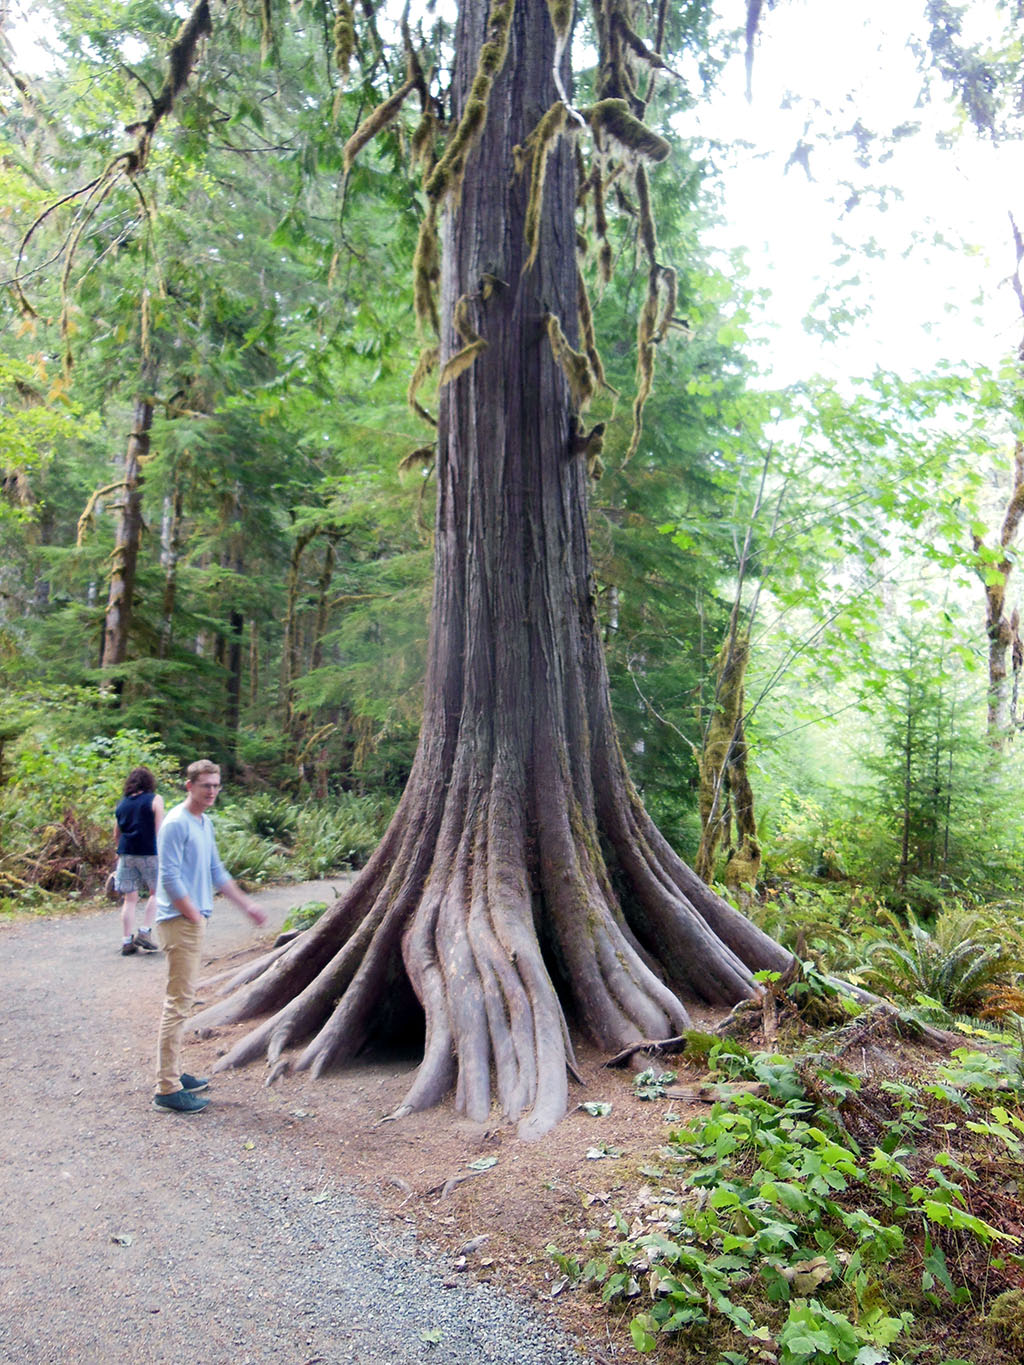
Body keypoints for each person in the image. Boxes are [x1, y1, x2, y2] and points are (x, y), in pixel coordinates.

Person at [152, 759, 267, 1115]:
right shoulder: (175, 823)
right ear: (189, 786)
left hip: (192, 919)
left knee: (184, 1000)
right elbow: (169, 877)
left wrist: (245, 905)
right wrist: (193, 915)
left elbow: (217, 870)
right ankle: (167, 1089)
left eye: (216, 785)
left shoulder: (204, 822)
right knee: (179, 1002)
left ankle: (173, 1073)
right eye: (206, 785)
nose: (212, 791)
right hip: (179, 921)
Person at [113, 766, 165, 956]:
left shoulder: (122, 803)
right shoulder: (155, 799)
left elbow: (116, 833)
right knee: (156, 892)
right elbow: (160, 829)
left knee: (130, 899)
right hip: (150, 852)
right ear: (149, 782)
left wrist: (119, 852)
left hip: (126, 853)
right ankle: (144, 931)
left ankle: (127, 941)